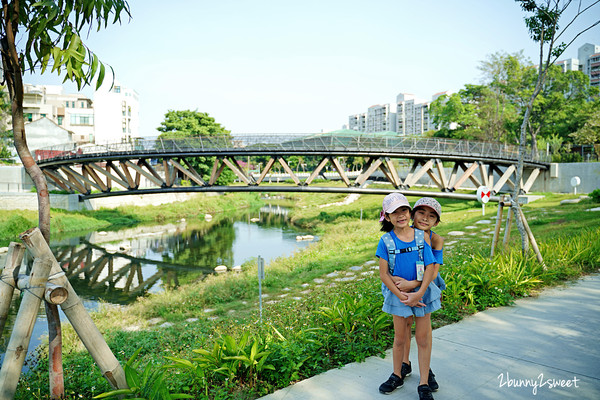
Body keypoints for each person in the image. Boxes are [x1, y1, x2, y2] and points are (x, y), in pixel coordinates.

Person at [376, 193, 441, 400]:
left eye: (403, 210)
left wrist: (418, 293)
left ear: (408, 212)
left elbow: (431, 267)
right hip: (400, 296)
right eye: (394, 212)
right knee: (400, 337)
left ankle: (424, 383)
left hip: (422, 294)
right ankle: (398, 373)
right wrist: (402, 296)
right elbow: (384, 274)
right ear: (387, 216)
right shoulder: (386, 240)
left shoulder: (424, 238)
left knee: (423, 338)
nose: (400, 215)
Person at [393, 197, 446, 392]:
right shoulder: (401, 234)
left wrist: (413, 284)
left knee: (423, 332)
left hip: (426, 284)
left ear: (436, 222)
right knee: (404, 325)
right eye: (421, 213)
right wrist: (401, 284)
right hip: (402, 286)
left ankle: (426, 371)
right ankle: (404, 364)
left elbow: (434, 270)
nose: (425, 218)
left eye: (431, 216)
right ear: (412, 214)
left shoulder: (435, 239)